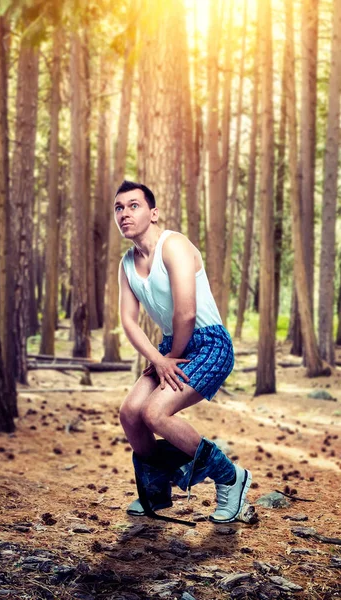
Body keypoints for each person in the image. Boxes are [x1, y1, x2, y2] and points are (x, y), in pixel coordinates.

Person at [115, 180, 252, 523]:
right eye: (119, 208)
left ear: (153, 212)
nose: (125, 214)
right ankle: (158, 489)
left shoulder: (173, 245)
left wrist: (170, 358)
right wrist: (160, 359)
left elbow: (186, 312)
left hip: (209, 343)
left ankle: (231, 477)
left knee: (156, 414)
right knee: (130, 413)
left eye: (134, 206)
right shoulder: (127, 264)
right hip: (168, 350)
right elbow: (129, 322)